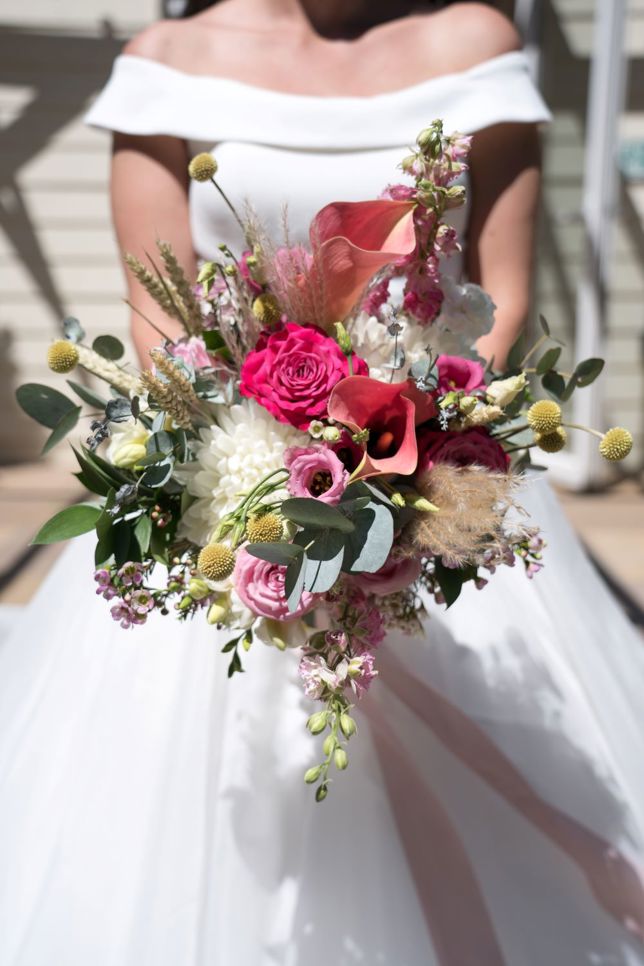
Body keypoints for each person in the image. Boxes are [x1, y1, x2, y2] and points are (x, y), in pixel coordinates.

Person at [1, 2, 643, 963]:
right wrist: (274, 484)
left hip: (442, 479)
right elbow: (157, 315)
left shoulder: (479, 47)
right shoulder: (165, 63)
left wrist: (403, 459)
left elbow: (498, 296)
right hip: (231, 483)